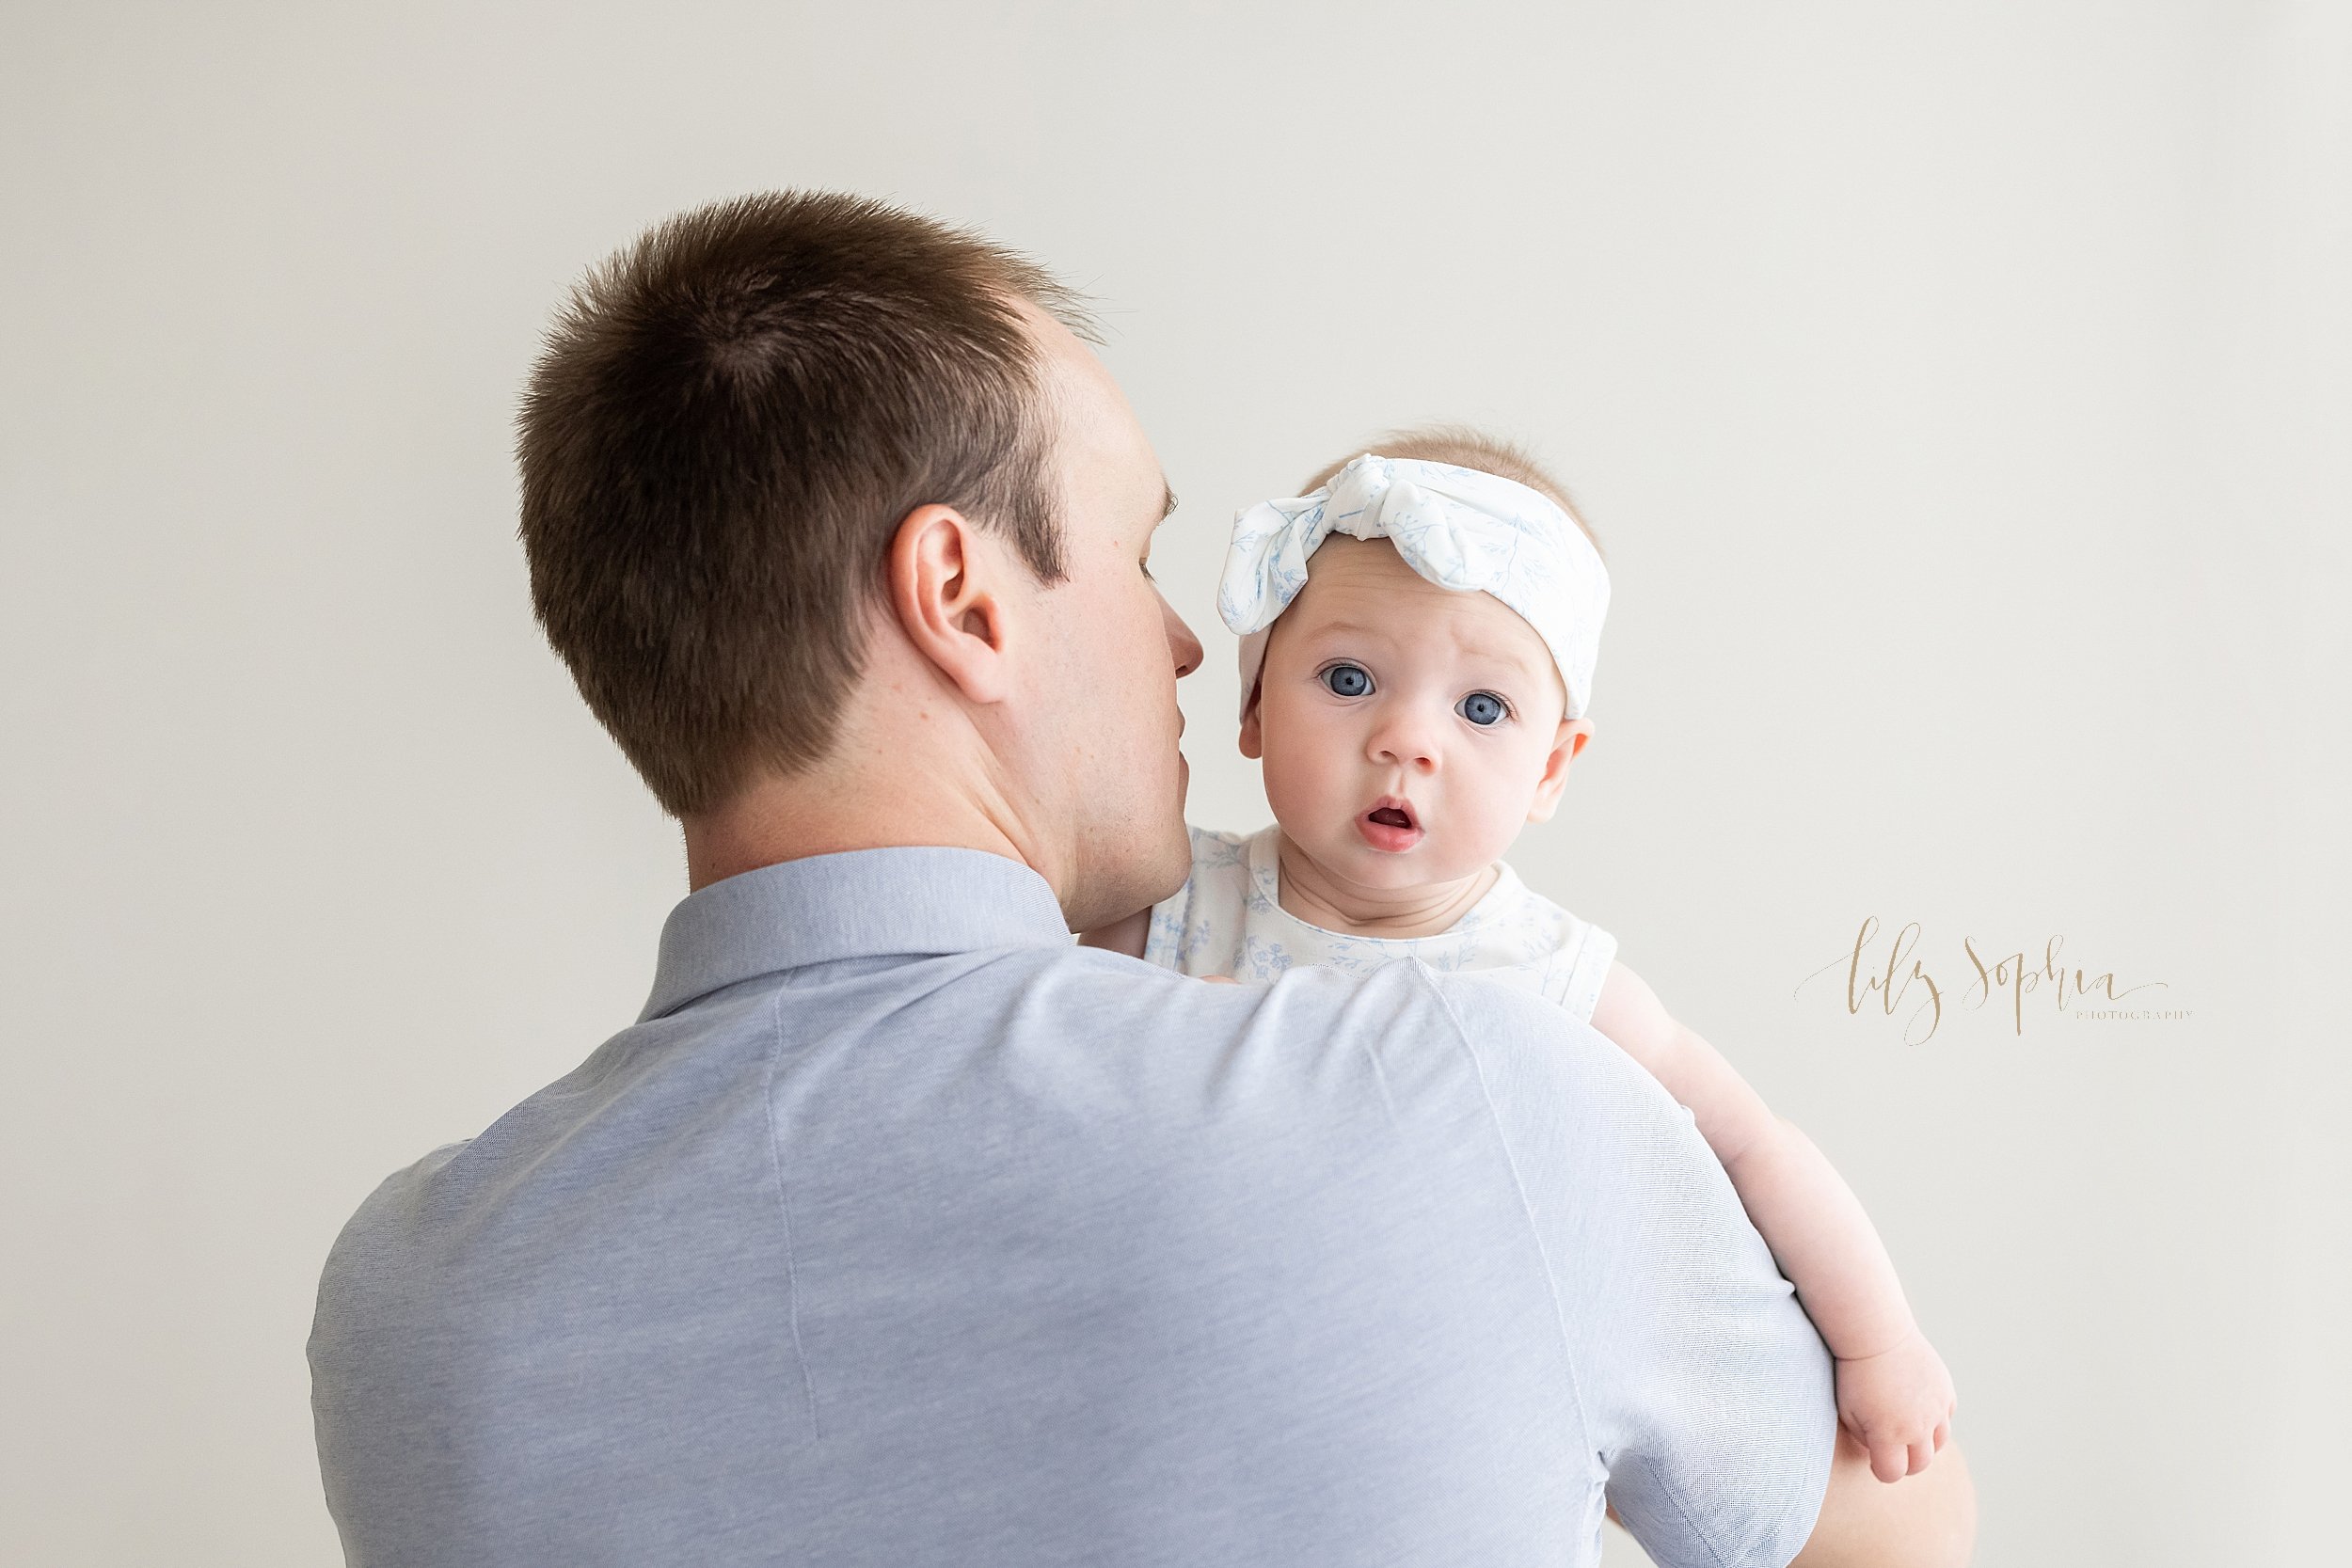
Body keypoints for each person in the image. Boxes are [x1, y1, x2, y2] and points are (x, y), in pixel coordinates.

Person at [307, 190, 1977, 1567]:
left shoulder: (411, 1305)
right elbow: (1901, 1531)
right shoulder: (1469, 1093)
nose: (1185, 639)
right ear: (960, 595)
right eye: (1136, 550)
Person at [1089, 436, 1956, 1485]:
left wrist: (1879, 1341)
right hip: (1182, 1399)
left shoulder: (1554, 981)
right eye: (1349, 678)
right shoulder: (1173, 908)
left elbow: (1754, 1148)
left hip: (1450, 1427)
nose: (1408, 739)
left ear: (1550, 766)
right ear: (1256, 707)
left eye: (1481, 708)